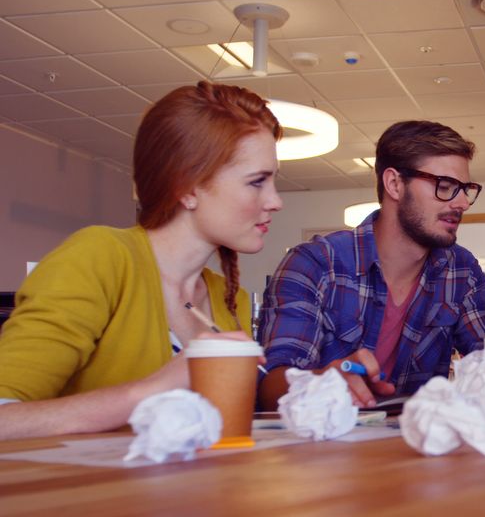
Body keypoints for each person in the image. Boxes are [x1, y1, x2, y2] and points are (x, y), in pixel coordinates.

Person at [0, 81, 283, 441]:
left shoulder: (228, 298)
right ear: (188, 187)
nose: (275, 201)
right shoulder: (99, 257)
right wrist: (147, 391)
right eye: (257, 182)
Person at [257, 120, 485, 410]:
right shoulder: (315, 263)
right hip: (326, 444)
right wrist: (321, 382)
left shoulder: (460, 270)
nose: (462, 202)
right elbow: (271, 387)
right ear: (394, 184)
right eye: (446, 186)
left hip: (417, 445)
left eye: (466, 189)